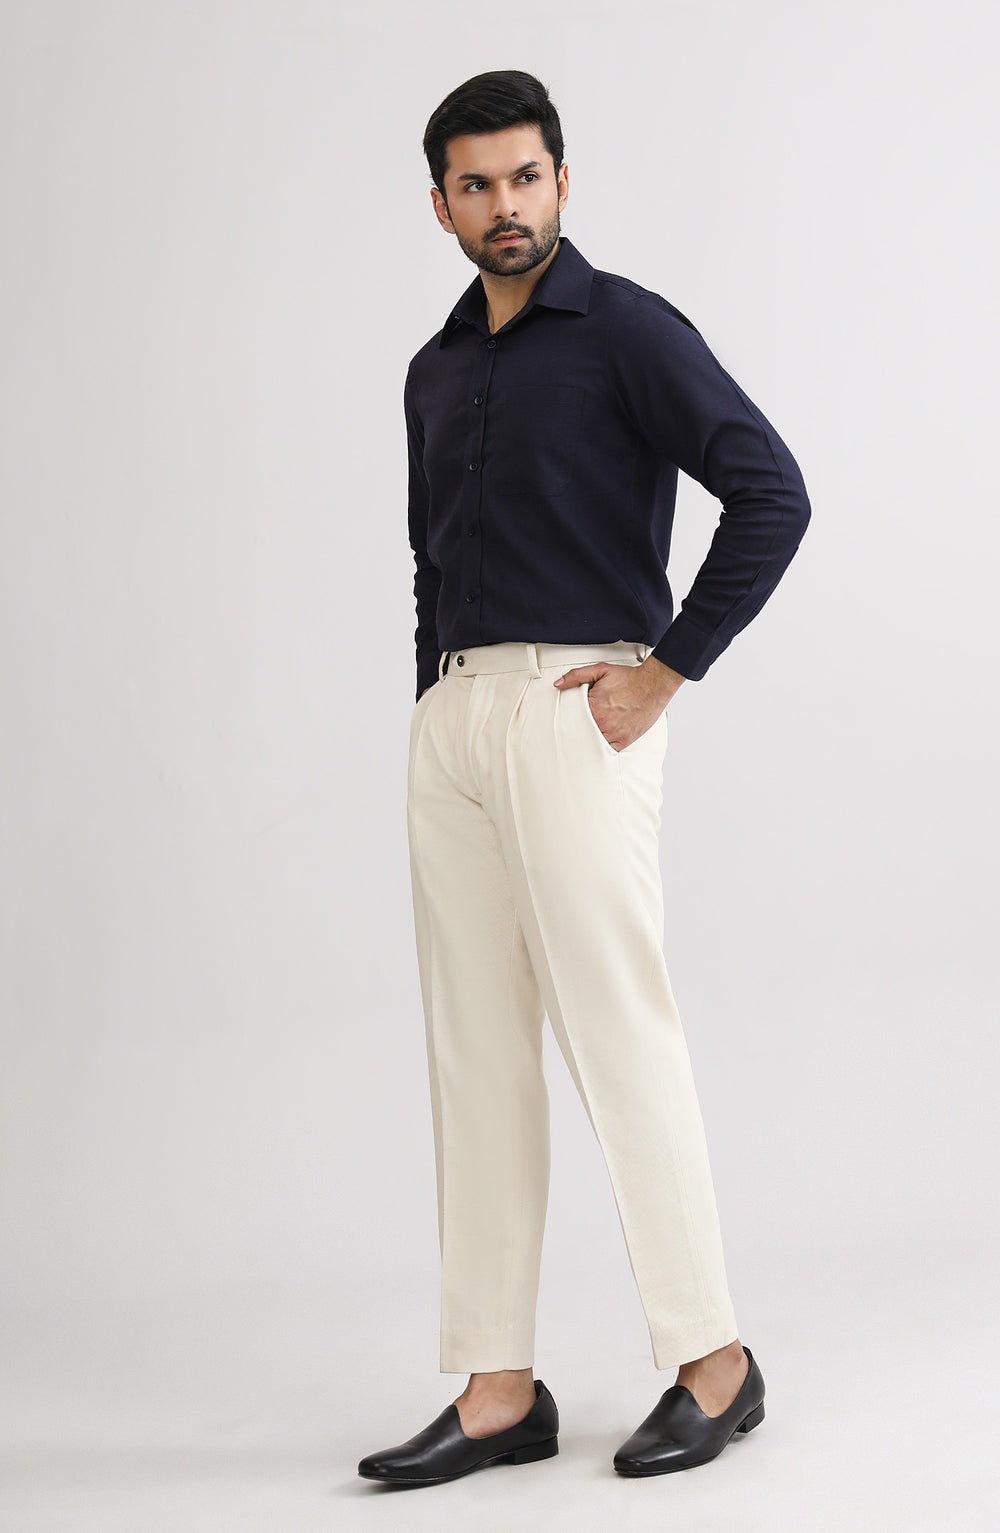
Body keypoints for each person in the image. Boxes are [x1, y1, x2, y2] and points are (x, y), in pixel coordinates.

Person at [358, 68, 810, 1488]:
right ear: (441, 205)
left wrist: (663, 671)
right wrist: (435, 702)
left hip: (581, 708)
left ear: (563, 181)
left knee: (619, 1031)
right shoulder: (435, 370)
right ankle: (499, 1383)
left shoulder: (625, 330)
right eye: (476, 185)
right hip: (457, 719)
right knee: (475, 1051)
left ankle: (716, 1361)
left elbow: (772, 491)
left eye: (526, 176)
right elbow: (433, 552)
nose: (505, 205)